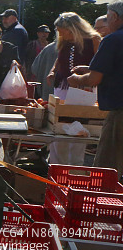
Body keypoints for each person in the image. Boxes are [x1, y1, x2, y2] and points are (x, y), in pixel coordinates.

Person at [68, 0, 123, 174]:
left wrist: (78, 79)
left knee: (107, 168)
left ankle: (102, 200)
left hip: (119, 112)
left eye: (107, 18)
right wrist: (92, 70)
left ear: (114, 17)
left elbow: (93, 79)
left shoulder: (112, 40)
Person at [47, 12, 101, 165]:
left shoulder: (94, 39)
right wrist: (52, 71)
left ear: (73, 28)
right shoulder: (64, 41)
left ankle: (74, 167)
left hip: (83, 89)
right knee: (58, 124)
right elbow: (59, 59)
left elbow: (99, 65)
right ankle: (56, 166)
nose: (60, 33)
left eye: (62, 30)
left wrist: (86, 75)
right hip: (62, 87)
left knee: (79, 126)